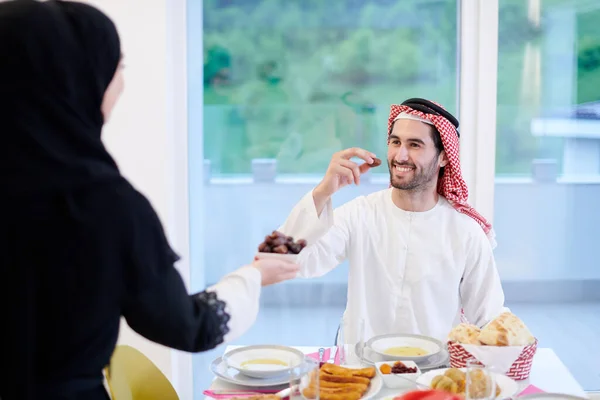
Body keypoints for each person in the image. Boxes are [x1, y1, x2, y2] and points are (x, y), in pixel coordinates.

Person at [0, 2, 298, 400]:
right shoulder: (102, 205)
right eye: (115, 68)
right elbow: (187, 325)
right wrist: (254, 276)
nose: (120, 84)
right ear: (74, 79)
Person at [278, 98, 507, 344]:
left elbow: (489, 320)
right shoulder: (360, 214)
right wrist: (323, 191)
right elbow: (289, 260)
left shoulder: (466, 232)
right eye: (395, 142)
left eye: (415, 145)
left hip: (433, 375)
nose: (401, 155)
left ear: (443, 157)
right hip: (363, 373)